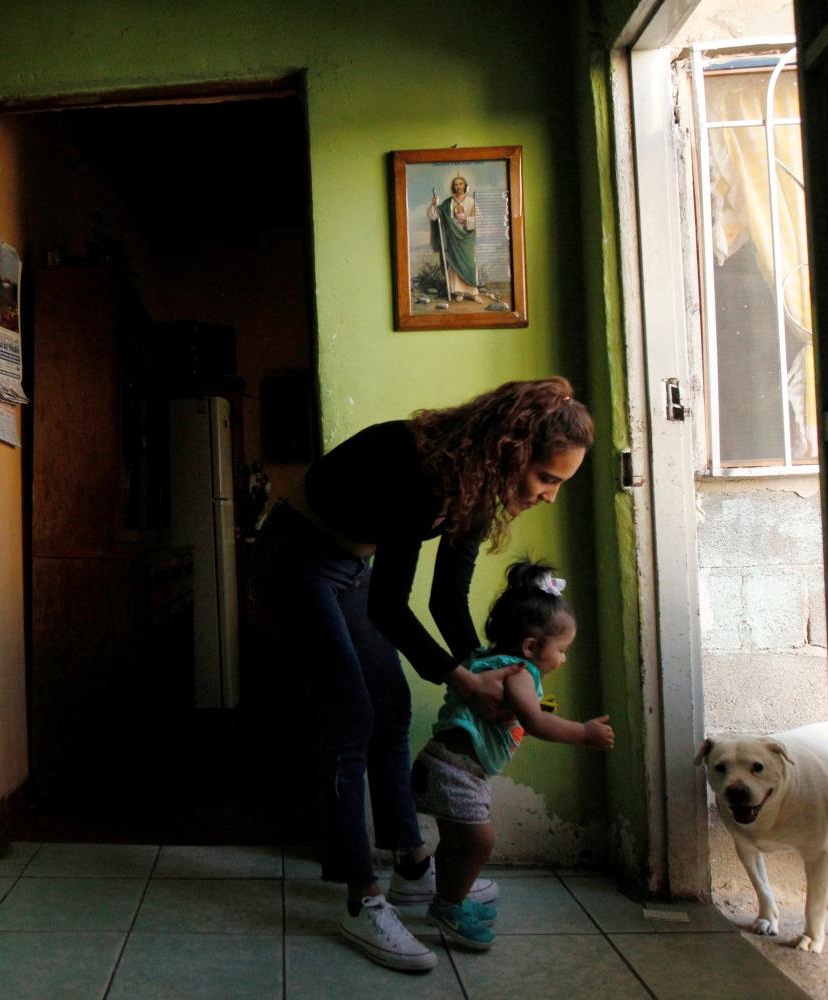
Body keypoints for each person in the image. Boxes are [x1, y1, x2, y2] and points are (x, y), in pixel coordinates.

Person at [251, 377, 594, 971]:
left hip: (349, 568)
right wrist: (461, 679)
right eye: (547, 478)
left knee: (391, 704)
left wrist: (495, 672)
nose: (549, 496)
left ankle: (411, 866)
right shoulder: (423, 468)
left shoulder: (478, 490)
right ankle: (360, 898)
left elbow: (446, 604)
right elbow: (391, 607)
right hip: (295, 559)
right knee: (350, 716)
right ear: (512, 452)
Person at [413, 558, 615, 951]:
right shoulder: (519, 672)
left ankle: (450, 897)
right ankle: (448, 907)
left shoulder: (487, 661)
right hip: (455, 771)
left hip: (446, 766)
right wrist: (583, 733)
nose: (564, 659)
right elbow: (536, 722)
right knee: (478, 841)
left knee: (459, 841)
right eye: (562, 650)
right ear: (531, 646)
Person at [428, 173, 485, 302]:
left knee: (470, 264)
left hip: (467, 237)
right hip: (453, 237)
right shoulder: (448, 202)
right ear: (453, 187)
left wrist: (466, 219)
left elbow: (480, 220)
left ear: (465, 185)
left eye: (460, 184)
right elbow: (435, 216)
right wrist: (434, 205)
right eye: (455, 184)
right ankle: (458, 291)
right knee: (454, 264)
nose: (458, 186)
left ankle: (473, 292)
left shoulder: (471, 201)